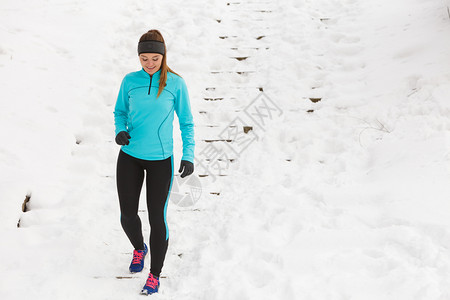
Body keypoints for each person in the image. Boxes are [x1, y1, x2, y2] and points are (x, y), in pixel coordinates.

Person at [113, 29, 195, 295]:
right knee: (127, 215)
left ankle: (155, 274)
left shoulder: (175, 84)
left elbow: (186, 122)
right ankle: (139, 248)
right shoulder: (130, 81)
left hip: (161, 160)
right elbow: (120, 111)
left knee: (157, 218)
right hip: (130, 156)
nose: (149, 63)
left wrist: (189, 154)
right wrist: (119, 130)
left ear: (163, 56)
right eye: (144, 58)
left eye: (154, 58)